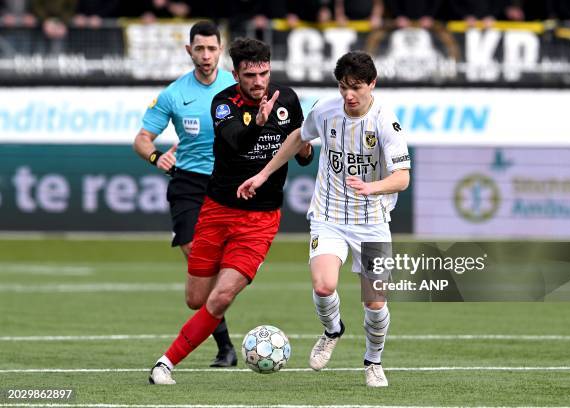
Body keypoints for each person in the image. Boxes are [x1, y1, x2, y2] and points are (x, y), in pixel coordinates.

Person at [237, 51, 411, 387]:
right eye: (344, 86)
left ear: (372, 84)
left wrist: (371, 187)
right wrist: (262, 175)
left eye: (357, 87)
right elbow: (297, 139)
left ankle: (373, 361)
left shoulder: (386, 123)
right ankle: (333, 330)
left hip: (372, 220)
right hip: (329, 215)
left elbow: (402, 177)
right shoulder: (325, 110)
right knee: (323, 284)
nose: (349, 94)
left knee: (374, 303)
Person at [148, 37, 314, 385]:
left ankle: (165, 364)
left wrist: (304, 151)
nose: (258, 82)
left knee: (221, 296)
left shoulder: (287, 100)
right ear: (236, 73)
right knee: (197, 299)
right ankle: (207, 325)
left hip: (261, 219)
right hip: (217, 211)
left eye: (264, 73)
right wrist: (258, 123)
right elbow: (237, 141)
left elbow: (301, 148)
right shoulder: (223, 103)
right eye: (250, 75)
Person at [133, 21, 238, 368]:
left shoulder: (237, 87)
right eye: (200, 49)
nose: (206, 55)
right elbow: (142, 139)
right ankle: (225, 346)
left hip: (226, 183)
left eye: (212, 49)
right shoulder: (174, 94)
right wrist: (155, 155)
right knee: (198, 258)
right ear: (188, 50)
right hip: (188, 184)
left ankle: (225, 348)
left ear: (220, 50)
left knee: (211, 283)